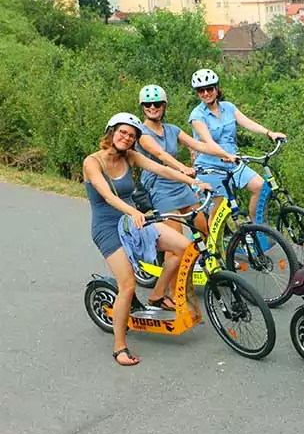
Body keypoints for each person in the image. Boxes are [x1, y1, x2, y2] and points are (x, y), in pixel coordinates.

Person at [83, 113, 212, 365]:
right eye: (122, 132)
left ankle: (163, 294)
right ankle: (119, 347)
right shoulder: (93, 162)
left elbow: (161, 168)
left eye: (132, 135)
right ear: (111, 132)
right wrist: (134, 212)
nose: (126, 137)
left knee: (187, 247)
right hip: (108, 226)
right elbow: (109, 197)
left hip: (134, 220)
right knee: (128, 285)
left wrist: (194, 181)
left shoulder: (130, 156)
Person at [136, 84, 236, 236]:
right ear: (142, 107)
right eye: (147, 104)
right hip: (159, 187)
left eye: (157, 104)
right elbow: (161, 154)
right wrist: (182, 167)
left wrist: (225, 154)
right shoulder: (141, 133)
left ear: (163, 106)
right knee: (177, 239)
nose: (152, 107)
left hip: (179, 183)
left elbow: (198, 145)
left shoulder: (172, 129)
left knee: (203, 229)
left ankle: (211, 259)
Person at [188, 69, 286, 222]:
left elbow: (248, 123)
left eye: (209, 89)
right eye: (201, 90)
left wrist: (269, 133)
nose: (206, 93)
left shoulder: (228, 107)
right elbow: (209, 142)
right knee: (220, 211)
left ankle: (257, 228)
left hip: (233, 163)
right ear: (197, 93)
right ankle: (215, 245)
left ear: (216, 88)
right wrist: (225, 155)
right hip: (211, 167)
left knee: (260, 187)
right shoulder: (197, 115)